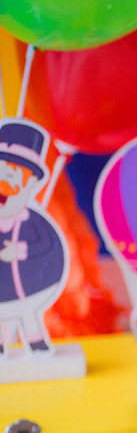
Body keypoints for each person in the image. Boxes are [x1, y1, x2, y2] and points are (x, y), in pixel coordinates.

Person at [0, 118, 65, 358]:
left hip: (32, 287)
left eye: (12, 177)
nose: (3, 186)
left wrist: (19, 251)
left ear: (30, 184)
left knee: (29, 314)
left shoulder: (33, 221)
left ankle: (36, 343)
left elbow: (47, 244)